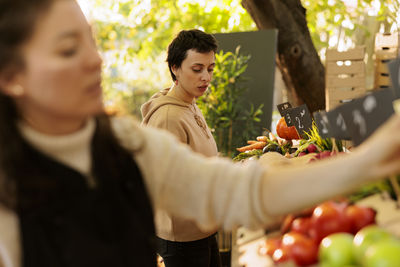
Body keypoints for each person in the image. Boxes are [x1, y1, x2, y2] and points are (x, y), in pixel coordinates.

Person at [2, 0, 400, 267]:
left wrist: (369, 159)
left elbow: (230, 190)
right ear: (11, 76)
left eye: (91, 41)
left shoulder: (125, 144)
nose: (95, 60)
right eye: (69, 49)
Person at [141, 29, 222, 267]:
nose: (206, 77)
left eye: (210, 69)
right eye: (197, 69)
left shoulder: (188, 103)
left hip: (203, 227)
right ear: (175, 68)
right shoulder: (168, 117)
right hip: (183, 240)